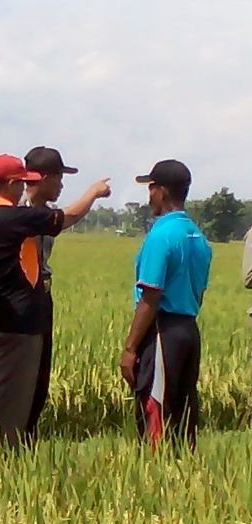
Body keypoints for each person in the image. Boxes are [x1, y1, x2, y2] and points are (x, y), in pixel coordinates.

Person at [0, 154, 110, 450]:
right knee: (6, 401)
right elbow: (67, 218)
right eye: (20, 183)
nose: (23, 188)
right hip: (17, 322)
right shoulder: (16, 217)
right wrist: (93, 192)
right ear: (11, 184)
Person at [120, 160, 211, 450]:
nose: (149, 195)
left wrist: (131, 348)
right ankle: (183, 477)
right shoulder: (198, 237)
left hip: (162, 329)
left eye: (151, 188)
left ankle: (155, 476)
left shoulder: (161, 236)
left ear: (161, 191)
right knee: (184, 415)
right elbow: (200, 293)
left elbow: (150, 297)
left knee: (155, 410)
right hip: (189, 330)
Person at [21, 146, 80, 439]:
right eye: (59, 177)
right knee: (20, 372)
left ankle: (29, 433)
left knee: (40, 375)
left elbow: (64, 219)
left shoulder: (45, 214)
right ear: (43, 178)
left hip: (42, 297)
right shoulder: (16, 211)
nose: (61, 185)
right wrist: (92, 194)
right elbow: (69, 217)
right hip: (18, 299)